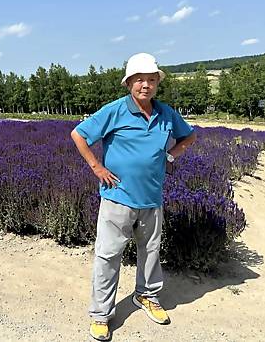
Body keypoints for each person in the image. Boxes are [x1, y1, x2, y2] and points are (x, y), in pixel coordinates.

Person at [71, 53, 197, 341]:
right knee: (107, 255)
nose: (146, 85)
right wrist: (96, 167)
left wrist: (171, 156)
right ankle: (101, 314)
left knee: (151, 253)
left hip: (152, 198)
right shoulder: (114, 111)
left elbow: (188, 137)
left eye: (152, 80)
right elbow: (78, 134)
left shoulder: (166, 113)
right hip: (118, 198)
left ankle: (147, 296)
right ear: (129, 82)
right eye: (140, 79)